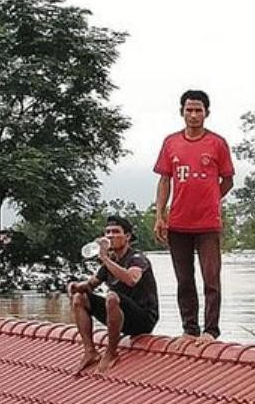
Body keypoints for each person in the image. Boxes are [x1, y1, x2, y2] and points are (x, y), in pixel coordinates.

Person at [153, 89, 235, 341]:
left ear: (206, 113)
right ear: (182, 112)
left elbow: (228, 180)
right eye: (189, 110)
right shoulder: (171, 143)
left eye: (198, 110)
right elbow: (164, 181)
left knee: (211, 279)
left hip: (208, 224)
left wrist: (211, 199)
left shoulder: (217, 143)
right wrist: (160, 215)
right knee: (184, 280)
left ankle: (211, 330)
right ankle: (190, 328)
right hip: (178, 223)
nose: (193, 114)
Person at [67, 216, 160, 373]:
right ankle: (90, 351)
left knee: (111, 296)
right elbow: (91, 285)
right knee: (80, 298)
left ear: (127, 236)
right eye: (107, 232)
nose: (110, 236)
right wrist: (75, 286)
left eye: (115, 232)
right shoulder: (110, 262)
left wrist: (104, 259)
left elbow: (131, 279)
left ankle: (111, 352)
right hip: (119, 312)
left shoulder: (137, 258)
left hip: (142, 318)